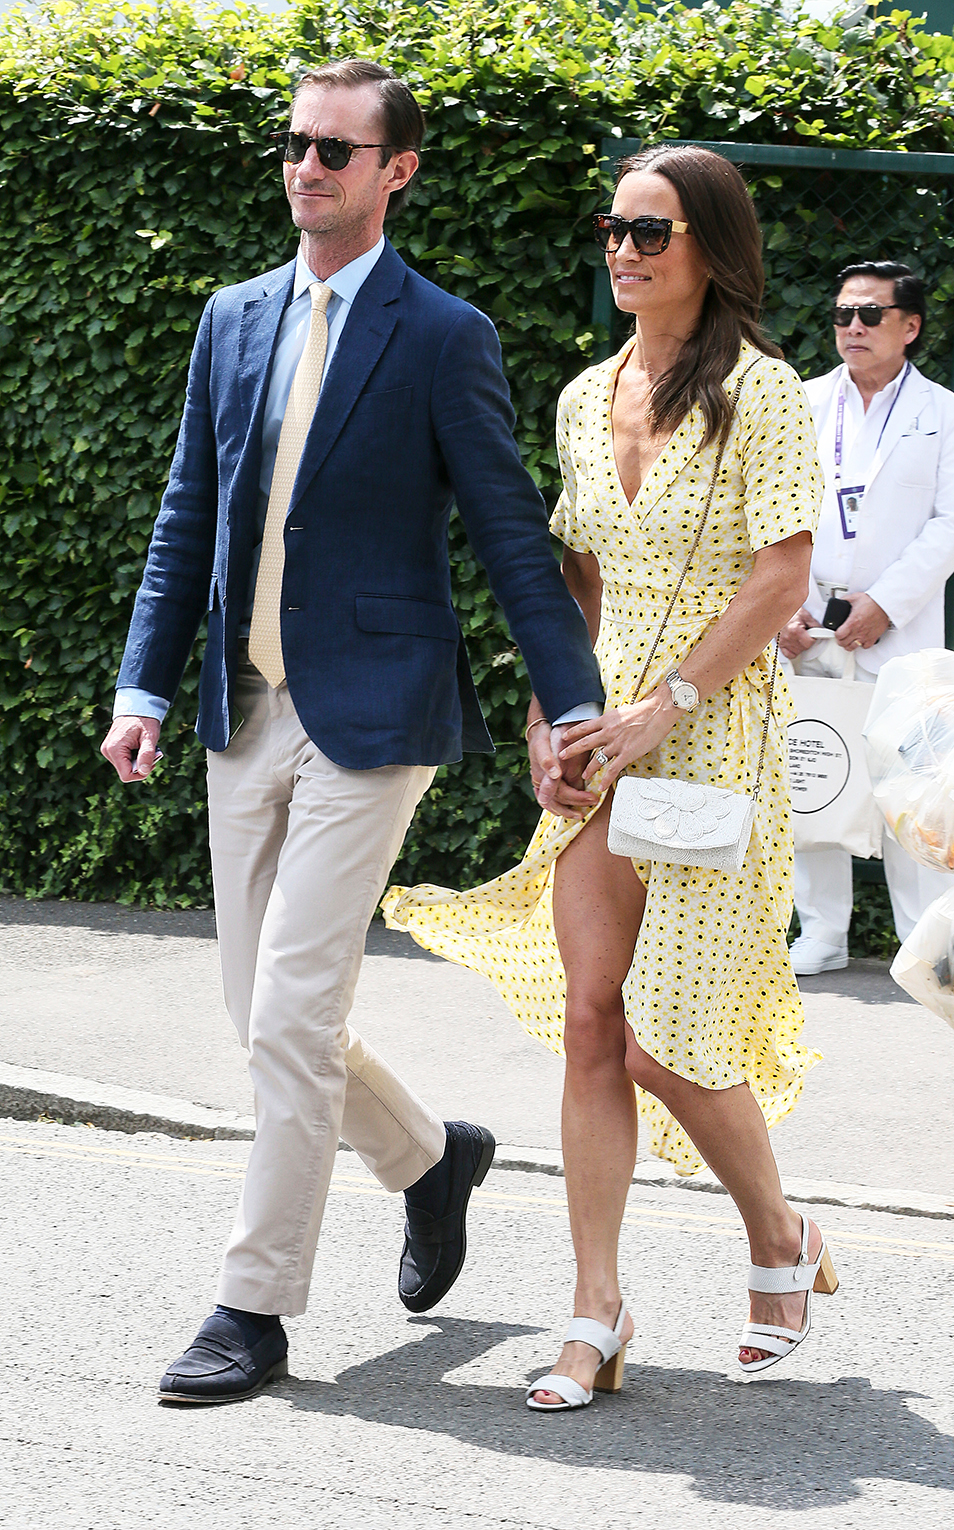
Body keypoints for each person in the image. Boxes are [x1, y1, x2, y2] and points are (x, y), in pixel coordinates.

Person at [99, 58, 603, 1406]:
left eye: (337, 149)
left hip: (373, 717)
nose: (307, 165)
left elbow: (505, 532)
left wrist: (575, 697)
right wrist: (143, 687)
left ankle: (253, 1307)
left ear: (397, 171)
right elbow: (185, 516)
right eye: (296, 144)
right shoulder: (232, 318)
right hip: (241, 707)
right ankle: (431, 1158)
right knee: (259, 1014)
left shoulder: (444, 334)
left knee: (294, 1006)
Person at [385, 144, 839, 1407]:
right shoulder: (587, 394)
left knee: (668, 1037)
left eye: (652, 232)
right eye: (614, 228)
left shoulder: (767, 393)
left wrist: (665, 705)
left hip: (710, 725)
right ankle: (595, 1311)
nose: (624, 252)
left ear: (710, 249)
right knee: (593, 1024)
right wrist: (551, 710)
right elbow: (572, 580)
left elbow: (779, 580)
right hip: (600, 724)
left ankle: (778, 1234)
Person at [781, 262, 954, 976]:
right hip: (804, 615)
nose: (854, 327)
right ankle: (823, 933)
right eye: (842, 315)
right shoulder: (800, 404)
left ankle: (920, 939)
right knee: (813, 764)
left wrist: (885, 605)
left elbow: (950, 527)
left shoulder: (946, 416)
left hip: (899, 626)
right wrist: (784, 605)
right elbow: (769, 515)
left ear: (911, 326)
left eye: (870, 314)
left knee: (910, 784)